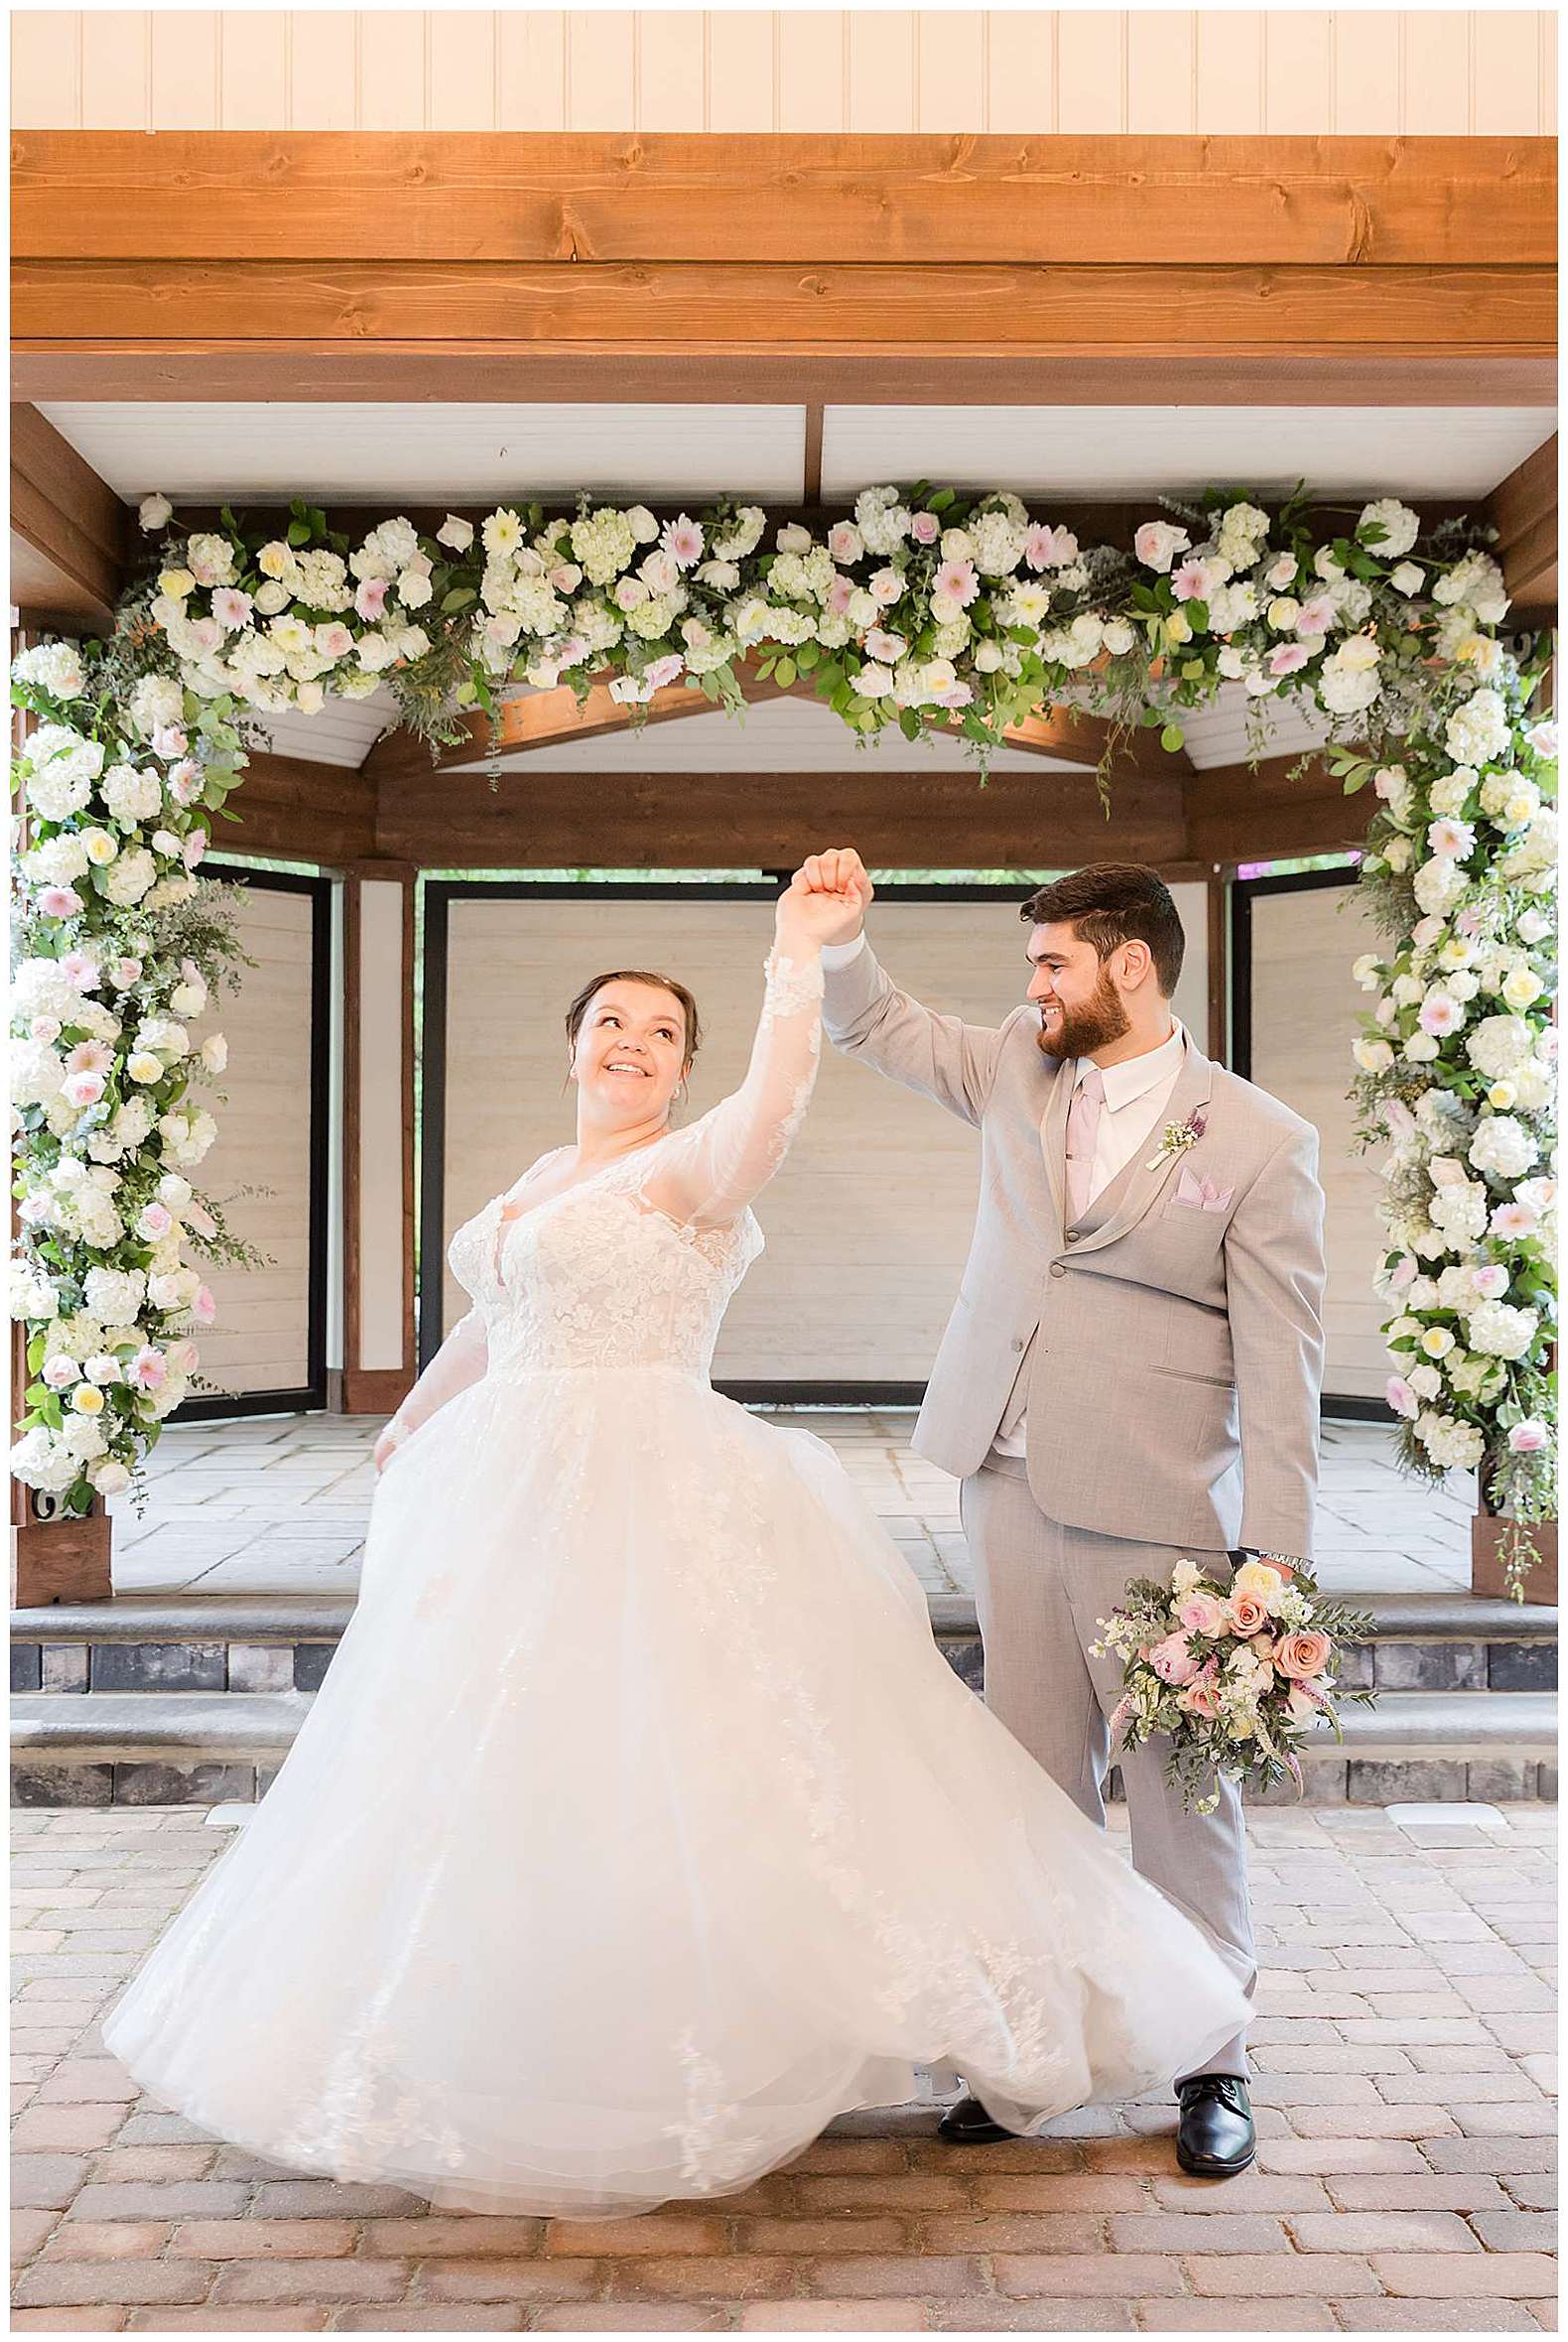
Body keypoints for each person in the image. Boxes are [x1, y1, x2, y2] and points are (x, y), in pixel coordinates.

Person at [102, 869, 1248, 2219]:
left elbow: (776, 1102)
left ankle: (1166, 2028)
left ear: (681, 1067)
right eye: (611, 1021)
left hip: (647, 1489)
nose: (631, 1042)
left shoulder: (693, 1165)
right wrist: (411, 1423)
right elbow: (502, 1311)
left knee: (703, 1764)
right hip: (510, 1499)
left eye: (659, 1031)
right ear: (575, 1044)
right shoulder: (543, 1177)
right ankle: (516, 2026)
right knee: (512, 1775)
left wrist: (792, 953)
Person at [810, 848, 1327, 2180]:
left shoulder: (1260, 1142)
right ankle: (1027, 2060)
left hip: (1162, 1508)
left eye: (1051, 963)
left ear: (1130, 966)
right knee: (1027, 1784)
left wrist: (1272, 1572)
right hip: (1005, 1481)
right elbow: (871, 1021)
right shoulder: (1013, 1068)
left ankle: (1212, 2053)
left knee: (1178, 1791)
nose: (1030, 987)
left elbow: (1283, 1375)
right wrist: (842, 938)